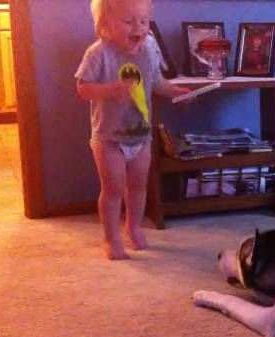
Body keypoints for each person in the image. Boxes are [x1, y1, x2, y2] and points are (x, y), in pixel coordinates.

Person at [75, 0, 191, 260]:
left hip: (141, 135)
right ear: (105, 25)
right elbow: (82, 89)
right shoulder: (98, 53)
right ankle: (111, 238)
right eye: (128, 21)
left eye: (143, 21)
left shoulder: (148, 51)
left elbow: (158, 82)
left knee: (139, 186)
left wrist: (176, 92)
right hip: (108, 137)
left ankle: (134, 227)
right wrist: (111, 89)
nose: (137, 27)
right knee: (113, 189)